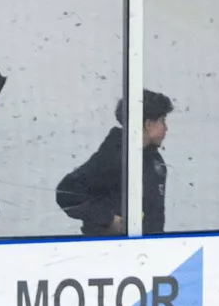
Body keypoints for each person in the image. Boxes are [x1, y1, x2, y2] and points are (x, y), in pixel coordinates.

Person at [55, 91, 172, 236]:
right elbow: (67, 193)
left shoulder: (154, 159)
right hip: (111, 250)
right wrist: (107, 219)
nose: (166, 128)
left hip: (146, 248)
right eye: (162, 120)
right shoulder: (114, 156)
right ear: (148, 124)